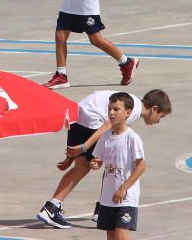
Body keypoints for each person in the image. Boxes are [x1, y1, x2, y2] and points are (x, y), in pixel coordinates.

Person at [37, 89, 171, 229]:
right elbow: (107, 126)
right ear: (154, 109)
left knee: (81, 167)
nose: (158, 121)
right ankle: (101, 209)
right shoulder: (132, 110)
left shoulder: (131, 100)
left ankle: (52, 207)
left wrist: (71, 156)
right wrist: (84, 147)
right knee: (111, 163)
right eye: (161, 116)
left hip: (77, 118)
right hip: (91, 122)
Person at [90, 92, 147, 239]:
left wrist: (123, 189)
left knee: (121, 235)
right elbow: (100, 159)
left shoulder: (132, 138)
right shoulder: (105, 137)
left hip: (126, 197)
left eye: (116, 109)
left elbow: (141, 166)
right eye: (109, 108)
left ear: (128, 113)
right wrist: (95, 164)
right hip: (108, 196)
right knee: (111, 235)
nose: (111, 112)